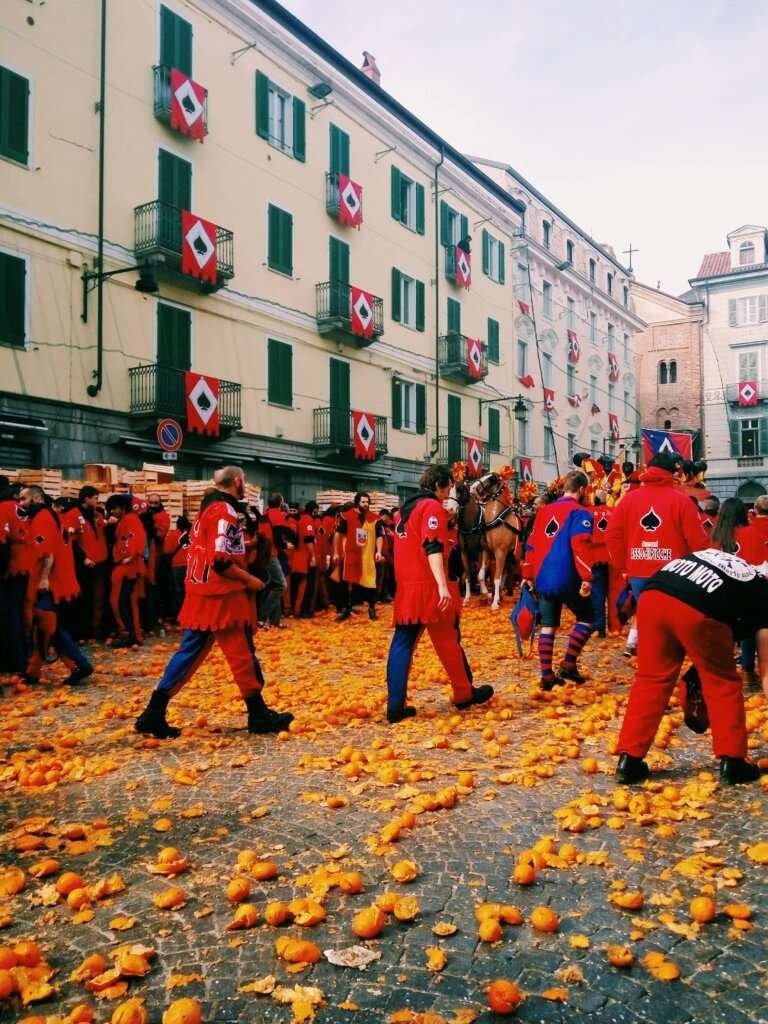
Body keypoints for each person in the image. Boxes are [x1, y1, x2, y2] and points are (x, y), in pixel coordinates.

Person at [135, 466, 294, 739]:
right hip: (223, 597)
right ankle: (258, 714)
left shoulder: (206, 511)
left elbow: (213, 549)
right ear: (237, 481)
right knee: (242, 654)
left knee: (189, 654)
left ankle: (154, 711)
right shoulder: (225, 511)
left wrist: (248, 545)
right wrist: (251, 581)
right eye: (244, 480)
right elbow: (220, 561)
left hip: (201, 592)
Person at [615, 547, 767, 786]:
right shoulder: (762, 595)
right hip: (698, 608)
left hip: (653, 596)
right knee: (722, 681)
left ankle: (629, 761)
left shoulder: (739, 570)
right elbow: (766, 666)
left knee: (651, 679)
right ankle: (733, 762)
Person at [386, 465, 493, 722]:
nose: (448, 493)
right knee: (449, 642)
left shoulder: (402, 512)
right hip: (430, 588)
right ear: (438, 485)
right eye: (448, 487)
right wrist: (443, 586)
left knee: (402, 644)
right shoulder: (431, 507)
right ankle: (464, 693)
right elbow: (432, 545)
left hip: (407, 587)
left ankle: (395, 704)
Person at [605, 452, 708, 658]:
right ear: (673, 473)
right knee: (668, 621)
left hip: (638, 571)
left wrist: (624, 566)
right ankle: (660, 660)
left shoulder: (629, 499)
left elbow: (612, 536)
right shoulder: (682, 501)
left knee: (647, 614)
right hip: (673, 573)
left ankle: (646, 657)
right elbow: (698, 542)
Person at [523, 470, 595, 690]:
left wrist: (528, 575)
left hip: (542, 576)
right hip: (567, 575)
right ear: (581, 490)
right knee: (588, 617)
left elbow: (530, 546)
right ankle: (568, 663)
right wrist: (587, 576)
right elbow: (579, 545)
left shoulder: (543, 512)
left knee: (548, 625)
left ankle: (546, 676)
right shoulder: (581, 513)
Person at [19, 486, 92, 686]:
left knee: (46, 625)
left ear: (37, 498)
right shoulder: (50, 517)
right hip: (58, 581)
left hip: (52, 583)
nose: (21, 503)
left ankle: (76, 664)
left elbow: (47, 553)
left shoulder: (42, 519)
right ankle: (73, 665)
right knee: (49, 627)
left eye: (24, 499)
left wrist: (44, 578)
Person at [334, 491, 384, 621]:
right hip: (351, 555)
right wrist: (336, 552)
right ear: (357, 502)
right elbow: (338, 534)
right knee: (349, 582)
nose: (366, 504)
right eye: (363, 502)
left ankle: (371, 608)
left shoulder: (375, 518)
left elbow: (379, 536)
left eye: (367, 502)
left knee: (370, 583)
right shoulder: (346, 517)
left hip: (368, 557)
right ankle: (347, 609)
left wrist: (379, 551)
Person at [106, 494, 147, 648]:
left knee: (119, 601)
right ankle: (133, 634)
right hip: (129, 566)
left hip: (128, 567)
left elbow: (136, 538)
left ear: (122, 508)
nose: (112, 512)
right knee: (128, 601)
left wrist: (130, 557)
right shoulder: (127, 519)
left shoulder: (130, 520)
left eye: (114, 509)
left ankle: (129, 634)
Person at [74, 485, 109, 640]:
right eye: (95, 498)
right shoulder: (73, 515)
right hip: (85, 564)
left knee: (99, 597)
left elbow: (103, 528)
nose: (97, 501)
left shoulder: (97, 515)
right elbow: (71, 542)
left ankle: (96, 629)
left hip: (100, 562)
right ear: (86, 498)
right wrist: (83, 557)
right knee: (85, 598)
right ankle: (83, 631)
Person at [257, 493, 290, 628]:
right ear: (280, 503)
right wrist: (286, 546)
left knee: (274, 585)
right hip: (271, 554)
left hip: (263, 553)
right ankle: (261, 616)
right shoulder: (277, 515)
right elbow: (277, 537)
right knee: (282, 585)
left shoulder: (264, 514)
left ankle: (275, 621)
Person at [163, 515, 192, 621]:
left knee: (178, 591)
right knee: (189, 592)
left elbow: (166, 550)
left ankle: (180, 616)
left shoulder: (174, 534)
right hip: (191, 565)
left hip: (177, 566)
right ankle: (190, 615)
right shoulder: (193, 534)